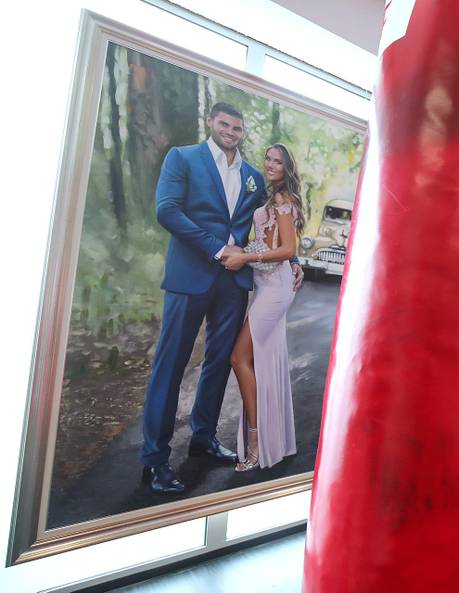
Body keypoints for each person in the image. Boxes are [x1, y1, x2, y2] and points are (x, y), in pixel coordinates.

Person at [141, 102, 269, 494]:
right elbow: (167, 211)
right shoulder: (182, 158)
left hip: (233, 284)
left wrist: (289, 258)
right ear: (210, 123)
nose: (230, 131)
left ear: (243, 132)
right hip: (190, 277)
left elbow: (264, 227)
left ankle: (204, 438)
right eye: (224, 124)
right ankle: (154, 461)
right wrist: (217, 248)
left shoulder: (252, 176)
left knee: (218, 363)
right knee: (171, 365)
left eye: (237, 127)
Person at [222, 143, 306, 471]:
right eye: (269, 159)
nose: (271, 165)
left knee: (238, 357)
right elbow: (273, 242)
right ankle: (274, 441)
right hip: (265, 285)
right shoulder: (272, 197)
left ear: (287, 169)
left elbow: (286, 249)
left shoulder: (283, 200)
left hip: (276, 290)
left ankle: (256, 443)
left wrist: (245, 257)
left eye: (278, 162)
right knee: (262, 361)